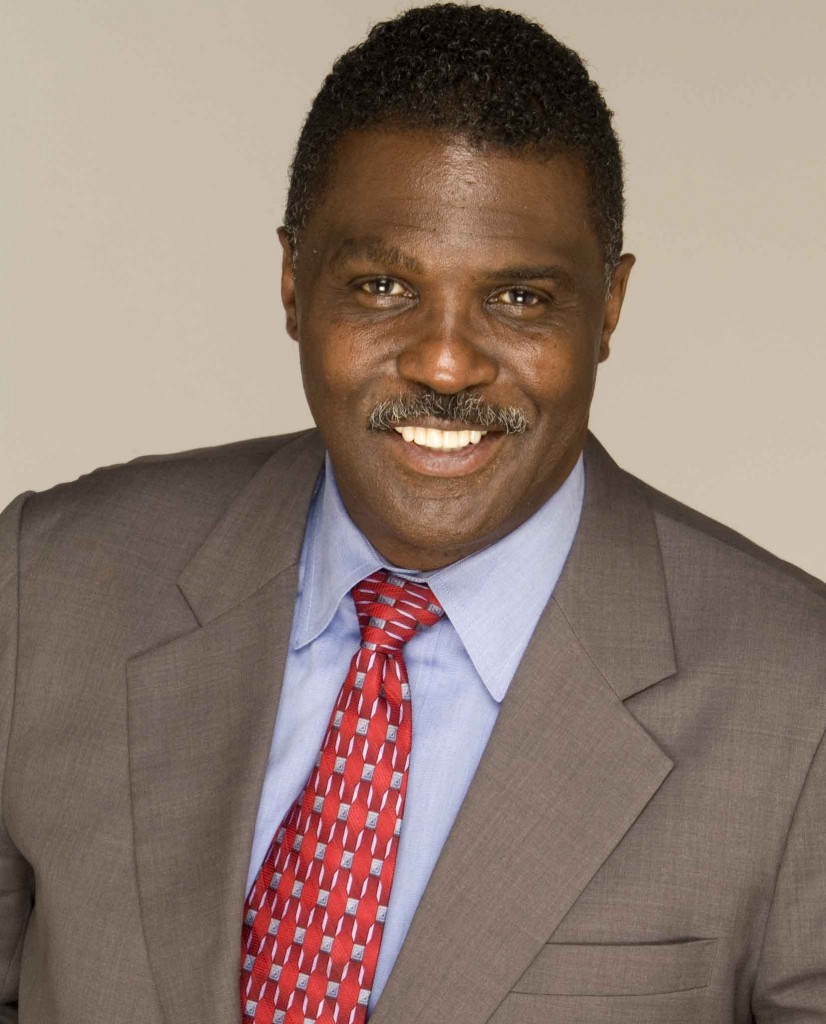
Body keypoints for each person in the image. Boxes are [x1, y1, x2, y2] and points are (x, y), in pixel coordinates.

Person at [1, 4, 824, 1022]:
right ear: (293, 281)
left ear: (609, 306)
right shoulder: (48, 585)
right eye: (384, 284)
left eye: (519, 299)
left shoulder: (800, 702)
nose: (444, 362)